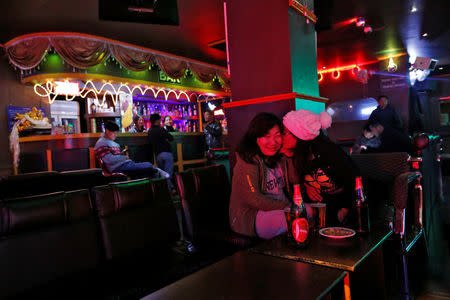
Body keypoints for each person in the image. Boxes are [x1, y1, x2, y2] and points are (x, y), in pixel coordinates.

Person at [281, 109, 358, 226]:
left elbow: (352, 177)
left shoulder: (326, 150)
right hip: (325, 205)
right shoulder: (299, 155)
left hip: (349, 203)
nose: (282, 137)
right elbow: (297, 183)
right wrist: (307, 186)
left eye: (285, 133)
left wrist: (345, 209)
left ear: (299, 135)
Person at [229, 113, 291, 239]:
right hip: (251, 217)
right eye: (266, 136)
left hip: (281, 210)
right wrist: (289, 207)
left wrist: (288, 155)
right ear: (255, 138)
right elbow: (253, 199)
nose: (273, 142)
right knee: (298, 220)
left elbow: (295, 183)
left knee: (311, 212)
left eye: (277, 135)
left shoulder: (280, 158)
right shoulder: (247, 160)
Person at [94, 121, 167, 179]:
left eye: (116, 133)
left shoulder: (110, 142)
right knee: (148, 165)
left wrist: (122, 154)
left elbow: (114, 156)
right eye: (114, 133)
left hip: (124, 164)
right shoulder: (101, 143)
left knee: (151, 172)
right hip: (118, 168)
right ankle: (159, 173)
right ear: (107, 131)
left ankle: (153, 190)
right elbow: (109, 160)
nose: (116, 135)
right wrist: (124, 157)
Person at [148, 113, 175, 184]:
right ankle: (170, 190)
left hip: (158, 155)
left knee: (162, 174)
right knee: (168, 174)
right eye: (159, 120)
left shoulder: (149, 131)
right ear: (157, 121)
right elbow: (171, 138)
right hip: (166, 153)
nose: (160, 121)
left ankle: (165, 189)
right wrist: (165, 139)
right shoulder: (161, 129)